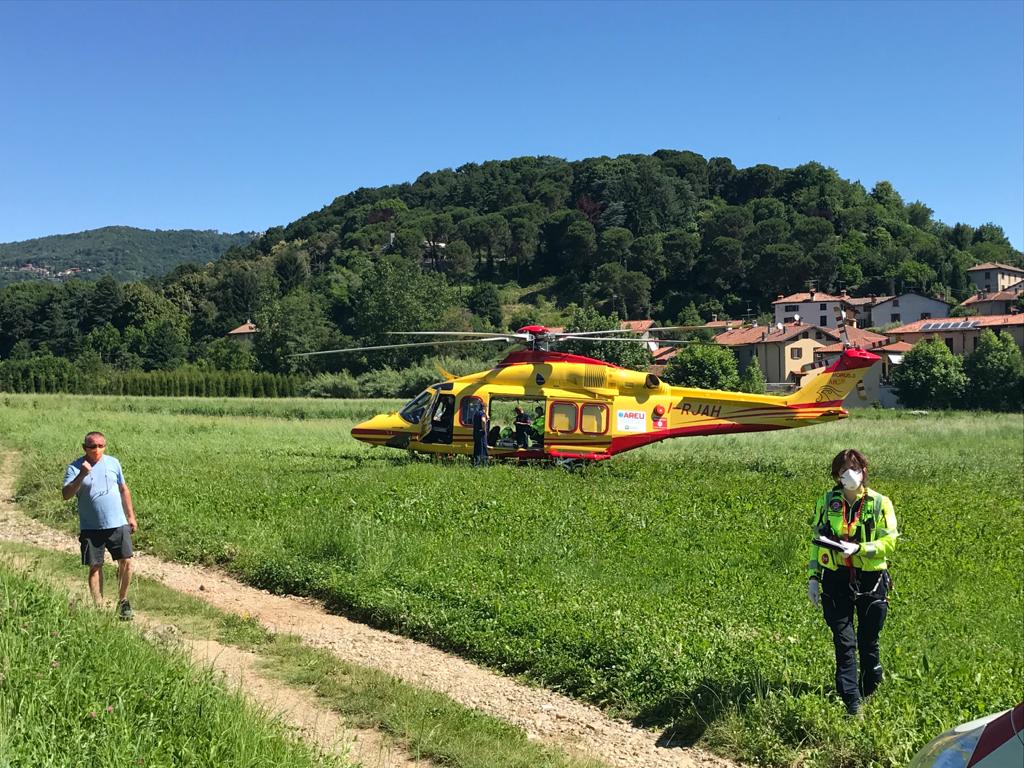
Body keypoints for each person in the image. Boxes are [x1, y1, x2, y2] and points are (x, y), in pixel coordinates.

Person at [807, 448, 898, 715]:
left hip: (871, 579)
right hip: (835, 579)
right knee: (844, 641)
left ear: (864, 471)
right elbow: (816, 541)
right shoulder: (826, 502)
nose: (850, 474)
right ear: (836, 475)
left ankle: (871, 684)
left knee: (868, 639)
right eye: (843, 470)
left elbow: (889, 541)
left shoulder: (881, 503)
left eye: (855, 468)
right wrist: (813, 577)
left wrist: (861, 549)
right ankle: (852, 701)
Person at [62, 431, 138, 620]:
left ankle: (122, 601)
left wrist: (131, 515)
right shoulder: (75, 467)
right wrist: (81, 475)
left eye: (100, 446)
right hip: (91, 526)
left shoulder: (114, 462)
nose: (97, 450)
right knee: (95, 566)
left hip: (117, 523)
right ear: (84, 448)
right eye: (92, 446)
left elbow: (123, 488)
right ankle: (99, 608)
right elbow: (66, 494)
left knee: (126, 562)